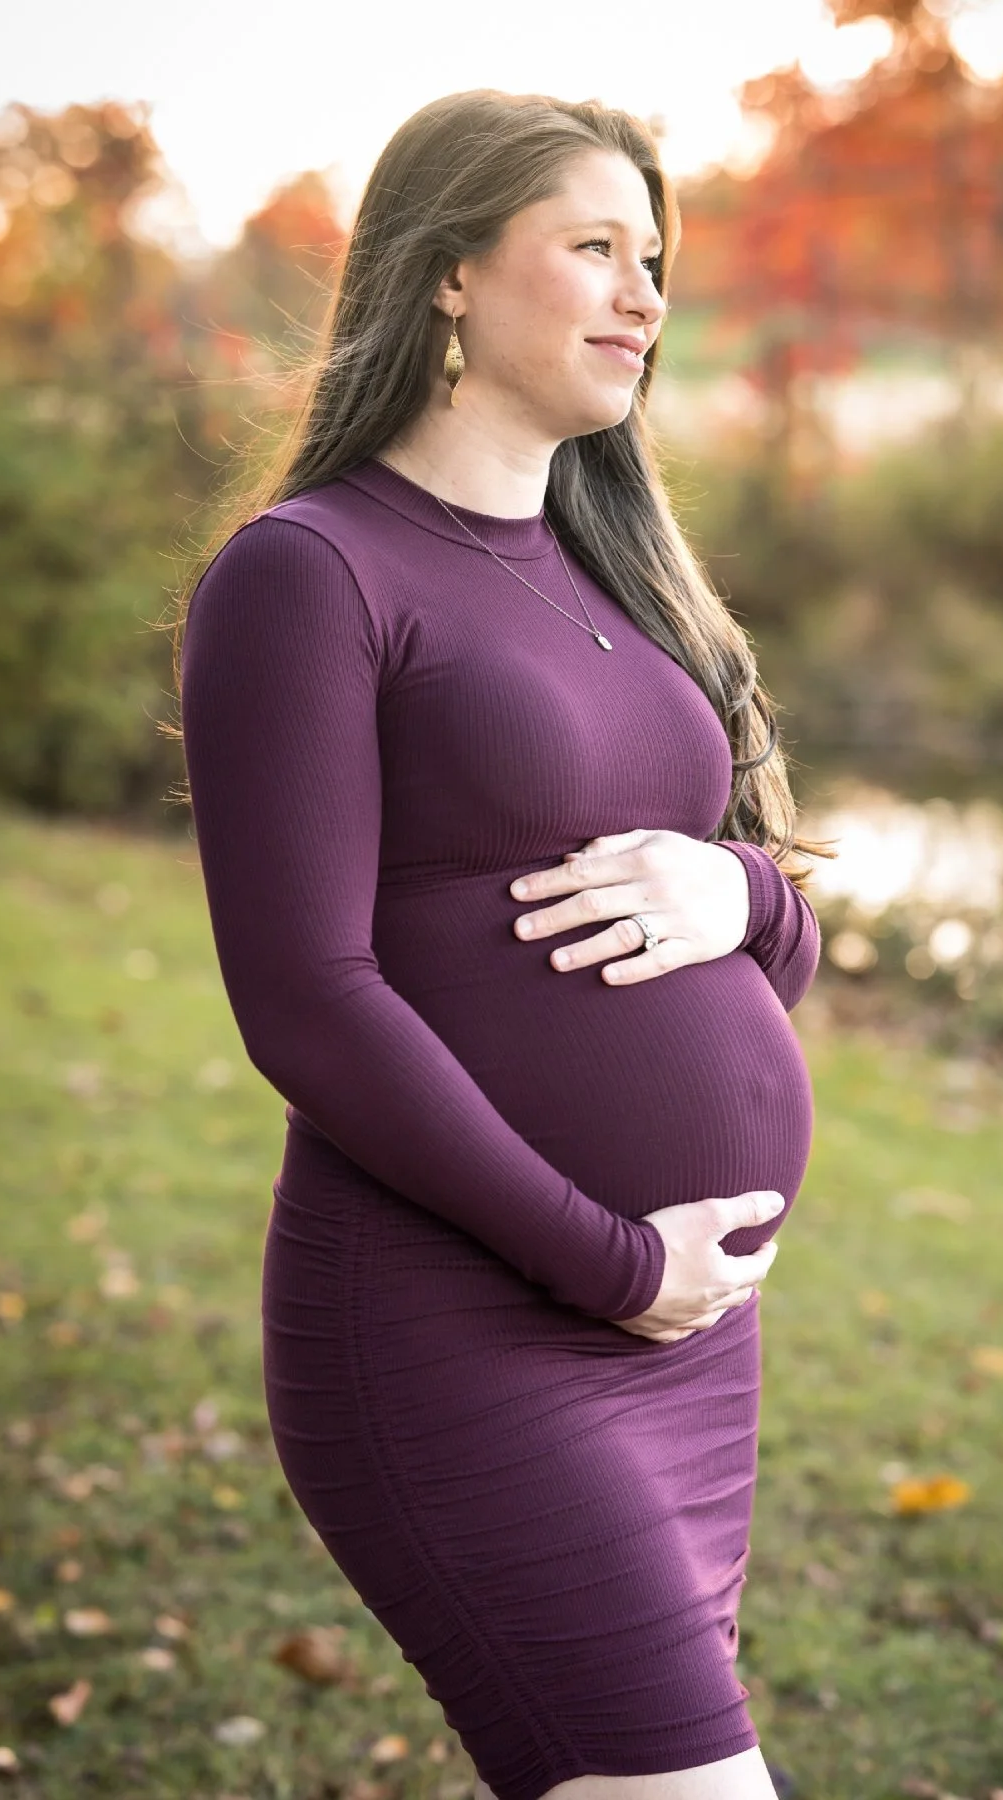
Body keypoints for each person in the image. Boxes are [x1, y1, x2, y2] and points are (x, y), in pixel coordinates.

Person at [176, 86, 831, 1800]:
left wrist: (738, 897)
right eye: (594, 249)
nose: (646, 294)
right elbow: (309, 1006)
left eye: (657, 258)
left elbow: (772, 920)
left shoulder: (628, 576)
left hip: (689, 1346)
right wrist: (609, 1262)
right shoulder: (308, 574)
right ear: (453, 273)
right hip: (463, 1324)